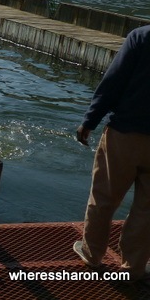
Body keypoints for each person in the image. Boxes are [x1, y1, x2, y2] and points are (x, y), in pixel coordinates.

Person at [73, 24, 150, 283]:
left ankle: (92, 255)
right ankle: (133, 268)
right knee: (147, 209)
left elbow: (113, 81)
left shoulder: (141, 37)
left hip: (125, 134)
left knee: (104, 197)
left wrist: (89, 120)